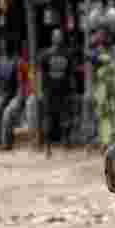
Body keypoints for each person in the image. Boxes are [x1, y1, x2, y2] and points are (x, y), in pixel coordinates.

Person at [39, 28, 76, 157]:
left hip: (64, 91)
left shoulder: (67, 54)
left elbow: (71, 73)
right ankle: (48, 147)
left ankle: (66, 143)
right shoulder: (45, 55)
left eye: (60, 36)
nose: (58, 38)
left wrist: (72, 90)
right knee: (48, 118)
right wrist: (41, 90)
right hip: (49, 91)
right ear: (52, 38)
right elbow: (41, 74)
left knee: (65, 117)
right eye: (56, 36)